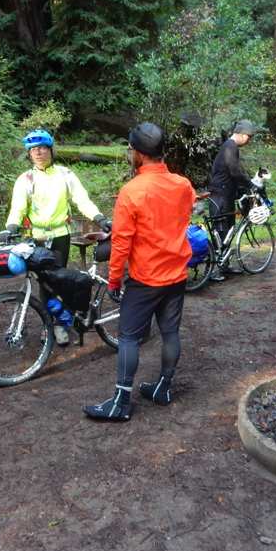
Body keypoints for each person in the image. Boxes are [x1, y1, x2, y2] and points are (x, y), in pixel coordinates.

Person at [84, 122, 196, 421]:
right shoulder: (183, 185)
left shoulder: (132, 191)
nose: (129, 153)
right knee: (170, 332)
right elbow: (183, 218)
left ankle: (121, 403)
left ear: (139, 154)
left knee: (129, 338)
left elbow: (121, 242)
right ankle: (163, 387)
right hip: (177, 273)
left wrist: (114, 278)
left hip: (146, 277)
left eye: (130, 149)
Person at [4, 129, 111, 346]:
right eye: (33, 149)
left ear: (51, 150)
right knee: (44, 283)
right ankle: (50, 324)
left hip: (61, 236)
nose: (38, 152)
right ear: (29, 154)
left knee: (58, 281)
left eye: (42, 148)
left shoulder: (65, 174)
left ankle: (60, 324)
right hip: (38, 238)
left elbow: (82, 199)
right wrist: (10, 227)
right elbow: (17, 208)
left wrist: (99, 218)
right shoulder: (26, 179)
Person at [207, 119, 257, 281]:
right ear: (242, 135)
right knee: (221, 231)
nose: (249, 141)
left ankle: (225, 266)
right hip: (219, 196)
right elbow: (234, 171)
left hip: (226, 195)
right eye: (249, 137)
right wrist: (250, 185)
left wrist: (243, 188)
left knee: (228, 229)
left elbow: (234, 173)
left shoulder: (231, 147)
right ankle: (215, 270)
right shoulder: (230, 146)